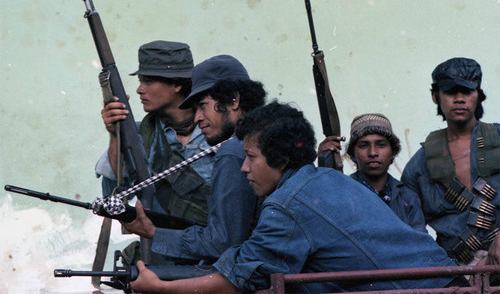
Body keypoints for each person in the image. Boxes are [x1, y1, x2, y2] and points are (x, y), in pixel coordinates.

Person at [130, 101, 465, 294]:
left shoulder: (287, 204)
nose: (244, 169)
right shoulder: (323, 180)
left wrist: (160, 288)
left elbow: (235, 280)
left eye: (252, 157)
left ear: (279, 159)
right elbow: (250, 258)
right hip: (455, 284)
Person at [122, 54, 266, 266]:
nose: (197, 117)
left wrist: (152, 232)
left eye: (203, 105)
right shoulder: (269, 135)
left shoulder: (233, 151)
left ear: (234, 100)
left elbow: (223, 243)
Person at [94, 41, 215, 265]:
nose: (140, 89)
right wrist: (115, 135)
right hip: (161, 260)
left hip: (215, 258)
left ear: (177, 85)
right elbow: (114, 197)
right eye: (141, 81)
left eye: (148, 81)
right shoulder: (140, 135)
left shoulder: (217, 129)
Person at [402, 57, 500, 266]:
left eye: (467, 91)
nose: (459, 99)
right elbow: (411, 231)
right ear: (435, 97)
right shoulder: (419, 166)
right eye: (450, 92)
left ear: (478, 95)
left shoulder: (498, 139)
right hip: (458, 272)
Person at [318, 114, 427, 232]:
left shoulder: (407, 198)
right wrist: (324, 162)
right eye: (363, 145)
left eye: (381, 145)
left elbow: (421, 244)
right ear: (353, 155)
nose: (373, 152)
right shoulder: (341, 193)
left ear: (393, 153)